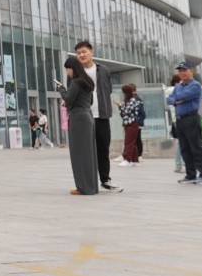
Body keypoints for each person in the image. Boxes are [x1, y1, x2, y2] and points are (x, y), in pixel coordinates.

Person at [73, 41, 119, 190]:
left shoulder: (103, 70)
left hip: (101, 116)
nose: (81, 55)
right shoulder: (74, 72)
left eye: (84, 51)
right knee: (85, 151)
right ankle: (88, 182)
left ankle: (105, 179)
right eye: (78, 53)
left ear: (91, 52)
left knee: (103, 149)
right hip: (83, 117)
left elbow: (108, 89)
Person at [167, 63, 202, 184]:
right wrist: (176, 100)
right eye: (180, 71)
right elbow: (169, 99)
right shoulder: (179, 85)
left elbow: (183, 96)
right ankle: (190, 175)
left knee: (196, 147)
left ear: (191, 71)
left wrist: (176, 98)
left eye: (184, 70)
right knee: (184, 148)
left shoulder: (195, 85)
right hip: (180, 119)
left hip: (191, 118)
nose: (182, 73)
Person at [62, 56, 99, 195]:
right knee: (89, 153)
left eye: (68, 69)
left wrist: (61, 89)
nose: (67, 72)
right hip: (87, 116)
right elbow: (89, 102)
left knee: (79, 154)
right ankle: (92, 186)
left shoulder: (76, 82)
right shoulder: (87, 82)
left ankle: (83, 187)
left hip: (78, 118)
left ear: (72, 68)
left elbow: (68, 99)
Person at [119, 84, 144, 165]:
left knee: (128, 142)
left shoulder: (132, 100)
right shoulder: (126, 101)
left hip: (132, 123)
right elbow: (123, 113)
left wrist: (121, 107)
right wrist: (122, 108)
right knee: (132, 142)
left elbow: (127, 111)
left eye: (124, 92)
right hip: (127, 123)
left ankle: (127, 159)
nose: (123, 94)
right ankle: (134, 160)